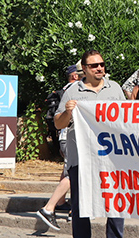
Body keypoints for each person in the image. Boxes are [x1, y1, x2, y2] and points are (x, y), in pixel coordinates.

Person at [55, 50, 125, 238]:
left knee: (116, 204)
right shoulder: (72, 90)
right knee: (80, 206)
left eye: (101, 64)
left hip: (112, 159)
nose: (100, 68)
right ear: (84, 69)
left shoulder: (115, 88)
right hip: (81, 159)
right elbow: (58, 123)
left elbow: (126, 121)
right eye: (94, 65)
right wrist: (67, 113)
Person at [37, 65, 80, 231]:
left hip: (64, 137)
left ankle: (63, 203)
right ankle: (49, 208)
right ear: (75, 76)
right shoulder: (75, 89)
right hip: (70, 137)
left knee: (68, 170)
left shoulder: (65, 89)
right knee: (73, 173)